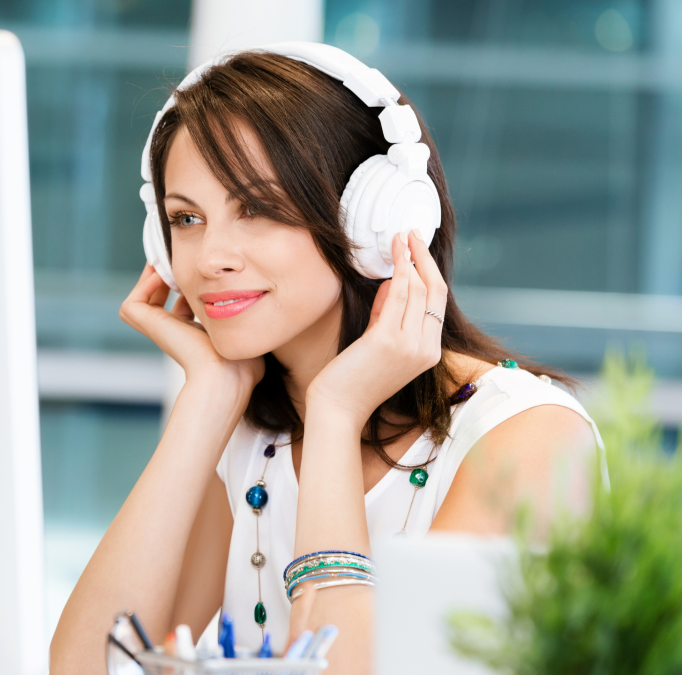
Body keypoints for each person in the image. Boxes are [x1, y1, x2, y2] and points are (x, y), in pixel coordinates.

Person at [49, 46, 602, 674]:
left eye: (256, 208)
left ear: (375, 221)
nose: (208, 259)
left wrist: (337, 413)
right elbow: (88, 667)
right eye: (186, 218)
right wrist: (207, 396)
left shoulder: (530, 437)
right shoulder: (247, 433)